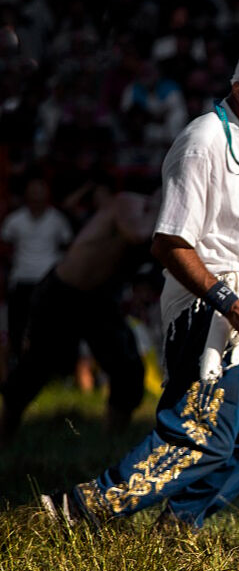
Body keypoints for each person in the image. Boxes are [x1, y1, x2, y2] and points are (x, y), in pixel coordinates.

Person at [40, 47, 239, 531]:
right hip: (213, 309)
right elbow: (168, 243)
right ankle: (80, 509)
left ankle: (177, 528)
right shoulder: (202, 141)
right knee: (200, 435)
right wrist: (232, 305)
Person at [0, 187, 159, 445]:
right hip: (62, 293)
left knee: (128, 370)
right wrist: (160, 208)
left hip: (100, 300)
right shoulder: (129, 202)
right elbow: (137, 234)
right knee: (35, 367)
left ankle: (111, 444)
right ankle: (5, 436)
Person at [0, 178, 73, 369]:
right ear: (26, 195)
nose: (36, 197)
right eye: (32, 192)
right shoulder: (14, 220)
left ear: (46, 195)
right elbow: (5, 248)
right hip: (21, 278)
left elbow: (68, 247)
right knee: (17, 326)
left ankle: (55, 367)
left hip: (49, 280)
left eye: (40, 192)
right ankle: (17, 364)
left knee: (51, 326)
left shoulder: (57, 220)